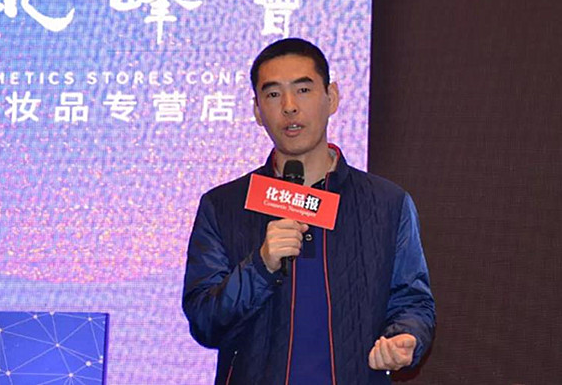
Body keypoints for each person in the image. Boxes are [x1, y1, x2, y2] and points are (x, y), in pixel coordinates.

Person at [183, 38, 435, 384]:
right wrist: (260, 266)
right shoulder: (223, 206)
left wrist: (406, 336)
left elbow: (413, 301)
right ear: (257, 111)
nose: (289, 107)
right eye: (273, 94)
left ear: (332, 97)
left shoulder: (387, 203)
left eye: (303, 90)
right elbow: (204, 322)